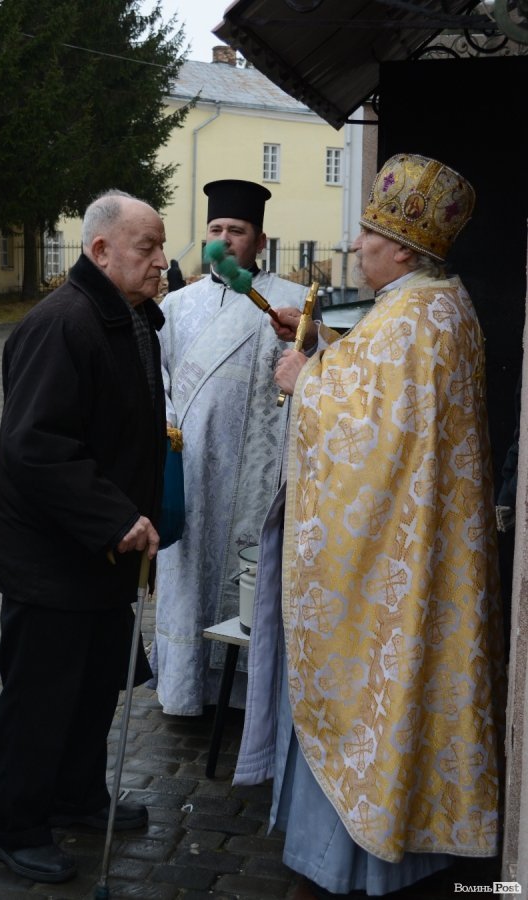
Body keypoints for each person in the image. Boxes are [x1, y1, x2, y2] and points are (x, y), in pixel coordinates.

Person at [235, 154, 505, 898]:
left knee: (376, 697)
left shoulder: (421, 315)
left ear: (405, 249)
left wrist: (305, 381)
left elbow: (375, 442)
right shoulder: (432, 304)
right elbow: (388, 403)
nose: (356, 246)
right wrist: (323, 346)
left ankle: (360, 863)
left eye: (367, 234)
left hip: (394, 565)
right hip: (420, 550)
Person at [0, 189, 168, 884]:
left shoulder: (123, 316)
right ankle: (15, 823)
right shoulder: (62, 323)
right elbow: (35, 446)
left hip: (101, 558)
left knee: (94, 686)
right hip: (54, 559)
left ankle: (76, 795)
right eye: (146, 248)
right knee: (41, 697)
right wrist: (113, 517)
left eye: (159, 246)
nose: (160, 261)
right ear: (100, 251)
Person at [148, 178, 314, 716]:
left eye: (236, 231)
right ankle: (185, 689)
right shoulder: (176, 305)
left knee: (251, 577)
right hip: (192, 469)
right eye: (216, 229)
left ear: (259, 242)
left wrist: (307, 341)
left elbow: (319, 371)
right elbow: (161, 380)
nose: (224, 239)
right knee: (190, 572)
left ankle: (246, 698)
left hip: (259, 475)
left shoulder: (292, 304)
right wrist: (170, 435)